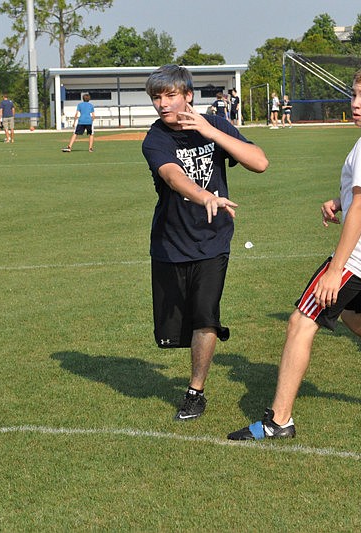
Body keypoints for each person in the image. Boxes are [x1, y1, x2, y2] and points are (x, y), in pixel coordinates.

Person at [227, 64, 361, 441]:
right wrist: (339, 202)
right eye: (354, 95)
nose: (355, 104)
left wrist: (334, 269)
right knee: (357, 318)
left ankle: (280, 421)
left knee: (300, 323)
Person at [141, 64, 269, 421]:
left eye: (170, 96)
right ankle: (192, 365)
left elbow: (260, 162)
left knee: (205, 316)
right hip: (170, 243)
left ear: (188, 96)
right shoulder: (155, 139)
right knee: (172, 331)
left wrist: (211, 131)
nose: (163, 105)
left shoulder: (215, 125)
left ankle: (195, 391)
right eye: (156, 97)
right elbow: (173, 176)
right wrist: (204, 196)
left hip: (213, 240)